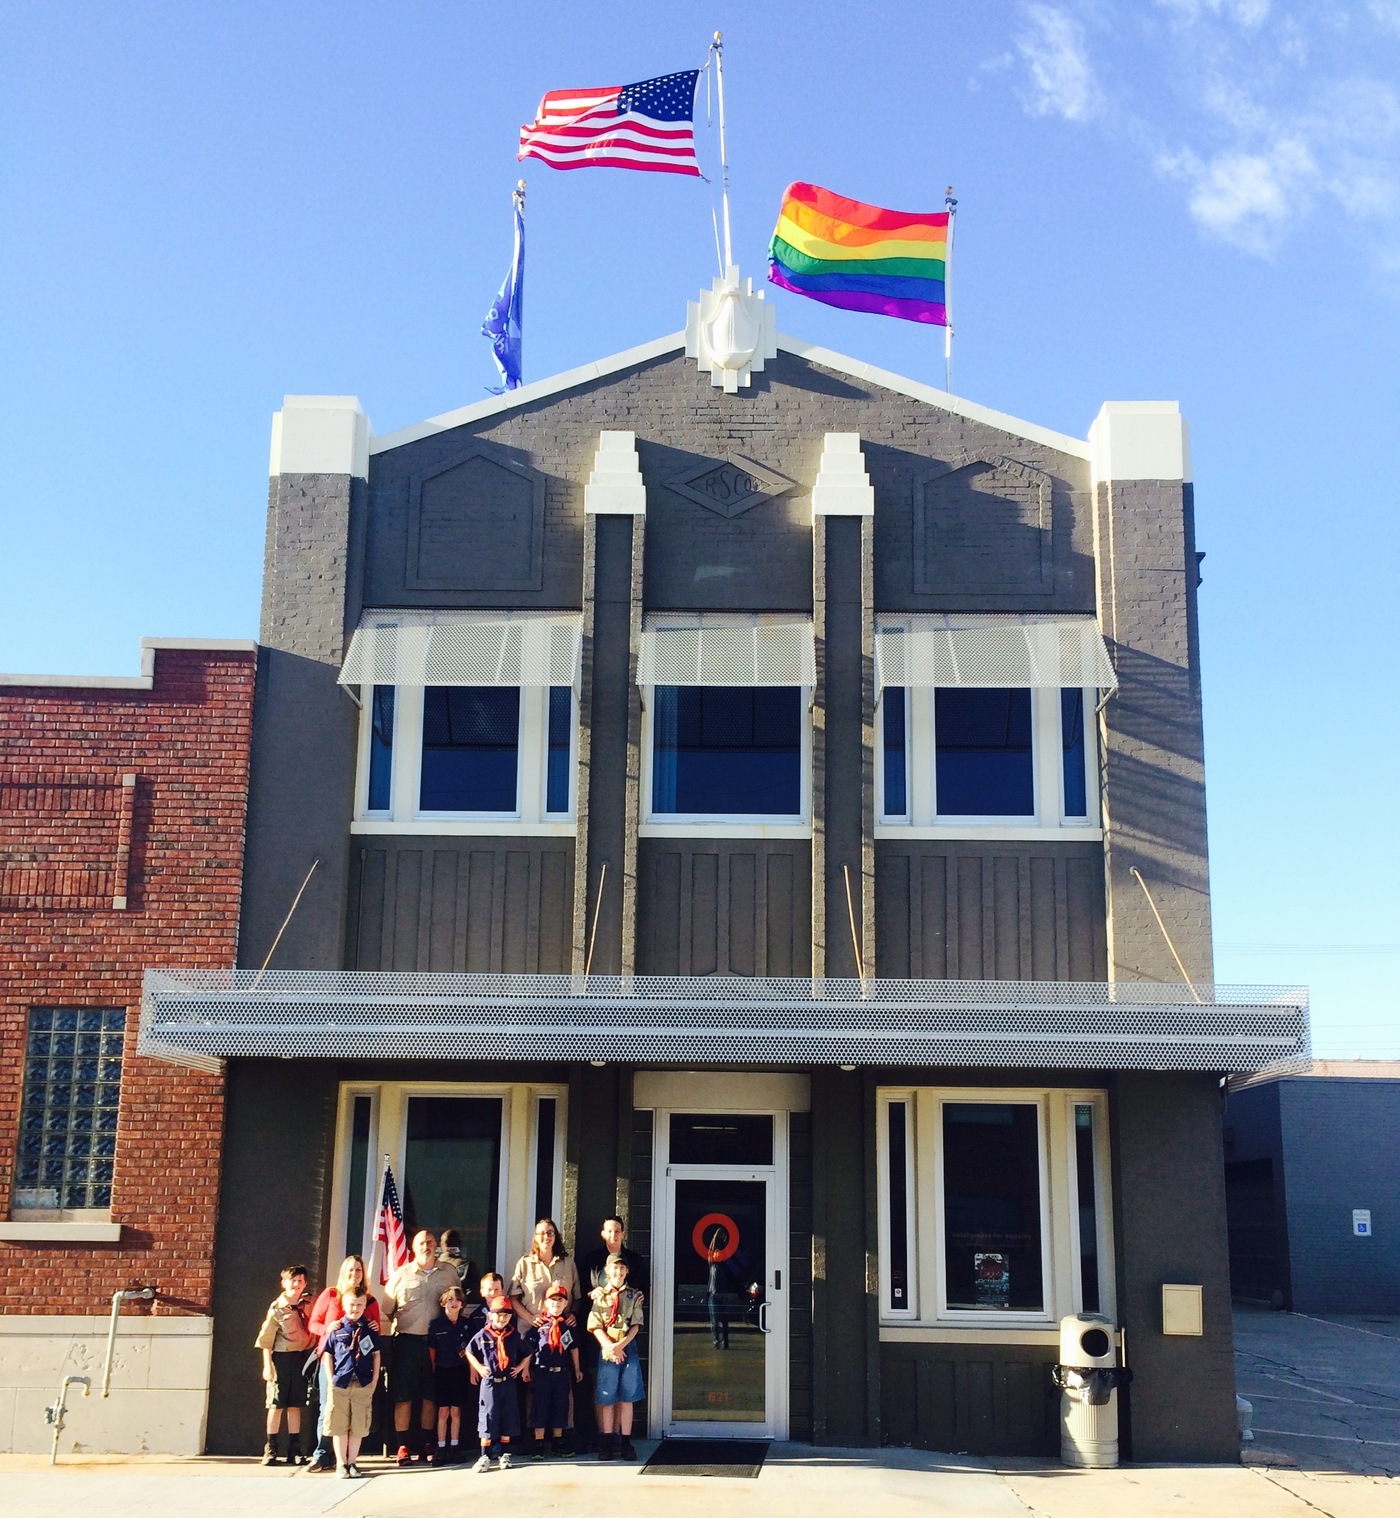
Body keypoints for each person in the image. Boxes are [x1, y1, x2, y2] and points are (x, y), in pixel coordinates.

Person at [384, 1230, 463, 1465]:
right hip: (407, 1342)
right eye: (421, 1243)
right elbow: (388, 1308)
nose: (426, 1246)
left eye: (430, 1242)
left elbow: (456, 1300)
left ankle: (429, 1442)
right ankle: (403, 1446)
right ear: (413, 1247)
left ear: (436, 1245)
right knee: (403, 1396)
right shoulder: (401, 1275)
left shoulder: (448, 1272)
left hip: (439, 1344)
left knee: (431, 1395)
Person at [305, 1254, 381, 1473]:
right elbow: (314, 1323)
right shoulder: (330, 1295)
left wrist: (376, 1328)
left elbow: (375, 1331)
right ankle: (322, 1454)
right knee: (328, 1407)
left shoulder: (370, 1300)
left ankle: (348, 1460)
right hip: (331, 1360)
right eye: (350, 1270)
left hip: (359, 1367)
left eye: (358, 1270)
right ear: (343, 1272)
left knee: (354, 1413)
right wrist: (326, 1330)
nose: (354, 1274)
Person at [577, 1217, 646, 1451]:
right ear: (603, 1233)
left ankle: (621, 1438)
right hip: (602, 1335)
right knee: (605, 1389)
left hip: (627, 1338)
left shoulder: (634, 1261)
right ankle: (605, 1438)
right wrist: (608, 1345)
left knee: (626, 1392)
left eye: (618, 1231)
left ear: (623, 1234)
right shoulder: (592, 1262)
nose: (614, 1235)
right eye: (609, 1231)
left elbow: (639, 1296)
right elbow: (585, 1294)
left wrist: (622, 1344)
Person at [254, 1264, 314, 1465]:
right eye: (292, 1280)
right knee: (276, 1404)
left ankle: (294, 1449)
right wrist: (267, 1365)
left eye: (300, 1281)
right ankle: (271, 1449)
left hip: (301, 1358)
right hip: (281, 1359)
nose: (296, 1284)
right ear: (284, 1283)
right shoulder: (277, 1308)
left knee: (295, 1405)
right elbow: (266, 1340)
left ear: (305, 1283)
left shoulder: (309, 1303)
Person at [588, 1253, 644, 1462]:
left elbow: (636, 1324)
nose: (618, 1272)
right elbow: (595, 1325)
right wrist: (610, 1347)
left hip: (628, 1348)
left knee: (627, 1397)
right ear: (607, 1272)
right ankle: (607, 1442)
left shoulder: (633, 1295)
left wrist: (621, 1346)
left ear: (627, 1272)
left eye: (622, 1269)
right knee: (607, 1397)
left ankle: (626, 1442)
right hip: (608, 1350)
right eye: (614, 1269)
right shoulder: (600, 1296)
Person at [320, 1287, 381, 1480]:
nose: (355, 1308)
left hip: (362, 1382)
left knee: (358, 1425)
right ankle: (341, 1463)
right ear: (344, 1306)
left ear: (364, 1306)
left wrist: (375, 1380)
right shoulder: (337, 1330)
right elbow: (328, 1354)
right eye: (352, 1305)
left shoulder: (369, 1330)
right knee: (339, 1425)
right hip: (340, 1382)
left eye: (359, 1305)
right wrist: (330, 1379)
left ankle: (353, 1462)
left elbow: (376, 1355)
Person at [466, 1295, 530, 1472]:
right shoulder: (483, 1334)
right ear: (490, 1316)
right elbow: (469, 1351)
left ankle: (505, 1455)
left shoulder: (513, 1335)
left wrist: (519, 1368)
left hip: (507, 1382)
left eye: (506, 1315)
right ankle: (484, 1456)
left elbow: (527, 1353)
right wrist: (478, 1367)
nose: (502, 1319)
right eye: (498, 1315)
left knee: (508, 1415)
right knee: (489, 1416)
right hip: (490, 1383)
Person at [527, 1281, 582, 1457]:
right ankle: (538, 1443)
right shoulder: (539, 1325)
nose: (556, 1304)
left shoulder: (568, 1326)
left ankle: (558, 1441)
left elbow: (573, 1348)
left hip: (561, 1372)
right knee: (540, 1405)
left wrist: (577, 1369)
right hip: (542, 1371)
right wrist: (525, 1369)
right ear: (545, 1303)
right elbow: (530, 1349)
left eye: (560, 1301)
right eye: (552, 1301)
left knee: (561, 1405)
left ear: (566, 1304)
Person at [509, 1218, 581, 1331]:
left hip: (562, 1331)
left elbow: (577, 1297)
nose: (546, 1236)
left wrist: (573, 1314)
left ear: (555, 1236)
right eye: (542, 1233)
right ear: (535, 1237)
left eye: (550, 1233)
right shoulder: (525, 1263)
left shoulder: (568, 1264)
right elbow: (513, 1299)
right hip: (530, 1331)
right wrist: (529, 1318)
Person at [428, 1286, 473, 1463]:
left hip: (459, 1371)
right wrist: (433, 1370)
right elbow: (432, 1350)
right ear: (443, 1303)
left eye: (458, 1300)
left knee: (456, 1411)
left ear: (462, 1304)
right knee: (442, 1411)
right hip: (442, 1371)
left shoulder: (466, 1324)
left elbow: (470, 1350)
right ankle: (441, 1447)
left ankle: (454, 1446)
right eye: (450, 1300)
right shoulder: (436, 1325)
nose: (454, 1303)